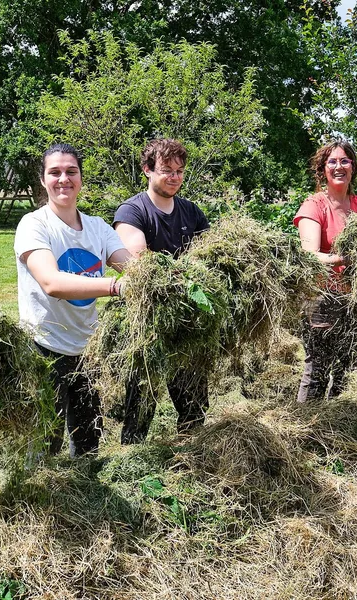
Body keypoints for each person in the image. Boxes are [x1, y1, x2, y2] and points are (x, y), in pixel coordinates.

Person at [15, 143, 131, 458]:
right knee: (44, 446)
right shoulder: (34, 225)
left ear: (80, 178)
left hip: (87, 353)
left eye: (71, 171)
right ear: (43, 179)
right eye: (55, 172)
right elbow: (51, 282)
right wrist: (114, 286)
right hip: (43, 349)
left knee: (89, 442)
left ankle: (85, 497)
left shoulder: (98, 228)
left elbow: (132, 267)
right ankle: (43, 504)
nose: (63, 179)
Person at [113, 138, 211, 444]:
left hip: (188, 322)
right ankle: (133, 458)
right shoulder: (132, 211)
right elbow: (139, 264)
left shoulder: (191, 212)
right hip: (148, 323)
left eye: (180, 171)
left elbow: (211, 257)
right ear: (147, 170)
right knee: (141, 401)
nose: (175, 177)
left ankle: (191, 453)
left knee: (193, 403)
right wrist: (187, 275)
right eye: (167, 170)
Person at [294, 140, 357, 402]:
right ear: (322, 170)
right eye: (332, 162)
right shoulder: (315, 205)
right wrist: (343, 258)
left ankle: (340, 424)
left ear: (353, 167)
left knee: (347, 369)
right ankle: (307, 428)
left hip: (353, 299)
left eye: (344, 161)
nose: (339, 166)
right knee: (318, 368)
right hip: (321, 298)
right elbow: (309, 255)